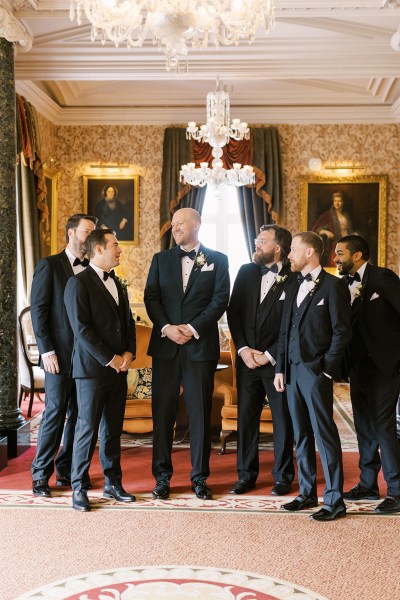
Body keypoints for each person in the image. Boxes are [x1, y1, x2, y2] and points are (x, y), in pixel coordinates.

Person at [144, 207, 230, 501]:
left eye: (180, 224)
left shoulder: (218, 260)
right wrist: (167, 327)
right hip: (166, 348)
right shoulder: (160, 259)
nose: (175, 228)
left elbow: (220, 299)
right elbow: (151, 298)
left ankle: (200, 477)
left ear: (196, 225)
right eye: (173, 224)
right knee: (163, 414)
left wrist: (192, 328)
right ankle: (162, 477)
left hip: (199, 347)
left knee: (199, 414)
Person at [274, 231, 351, 521]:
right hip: (292, 370)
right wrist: (280, 368)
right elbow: (285, 329)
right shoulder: (293, 284)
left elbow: (343, 331)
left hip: (317, 372)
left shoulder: (334, 287)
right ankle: (307, 494)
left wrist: (327, 369)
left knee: (324, 434)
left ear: (310, 253)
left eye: (293, 250)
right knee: (301, 434)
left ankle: (334, 501)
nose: (289, 255)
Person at [64, 229, 136, 511]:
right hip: (92, 370)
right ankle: (78, 487)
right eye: (115, 245)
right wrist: (111, 358)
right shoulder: (78, 284)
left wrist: (129, 353)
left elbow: (128, 322)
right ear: (98, 250)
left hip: (118, 370)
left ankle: (113, 482)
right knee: (86, 428)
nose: (120, 250)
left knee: (112, 430)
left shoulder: (118, 283)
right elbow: (82, 330)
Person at [31, 214, 96, 497]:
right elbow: (39, 311)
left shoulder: (93, 269)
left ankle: (67, 471)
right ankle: (39, 475)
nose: (91, 239)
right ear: (71, 233)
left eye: (94, 233)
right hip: (57, 356)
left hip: (86, 358)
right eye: (86, 232)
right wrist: (47, 350)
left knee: (80, 416)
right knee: (55, 414)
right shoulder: (49, 265)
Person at [227, 224, 295, 496]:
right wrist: (243, 349)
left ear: (278, 247)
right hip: (247, 361)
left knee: (282, 420)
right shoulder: (246, 272)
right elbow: (234, 312)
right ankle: (245, 476)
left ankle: (283, 476)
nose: (257, 244)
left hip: (276, 363)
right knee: (246, 419)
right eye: (256, 240)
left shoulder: (294, 277)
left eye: (263, 241)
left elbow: (291, 324)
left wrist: (269, 355)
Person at [334, 235, 400, 513]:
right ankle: (368, 484)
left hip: (386, 366)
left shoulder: (382, 278)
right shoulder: (341, 285)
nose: (335, 258)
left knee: (383, 424)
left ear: (358, 255)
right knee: (363, 426)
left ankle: (396, 491)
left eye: (340, 253)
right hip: (357, 367)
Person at [312, 191, 353, 267]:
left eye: (339, 201)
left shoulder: (345, 215)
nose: (337, 203)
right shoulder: (328, 215)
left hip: (347, 244)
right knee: (337, 266)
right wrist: (325, 231)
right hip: (336, 245)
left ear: (343, 202)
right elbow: (316, 228)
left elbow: (348, 230)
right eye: (335, 201)